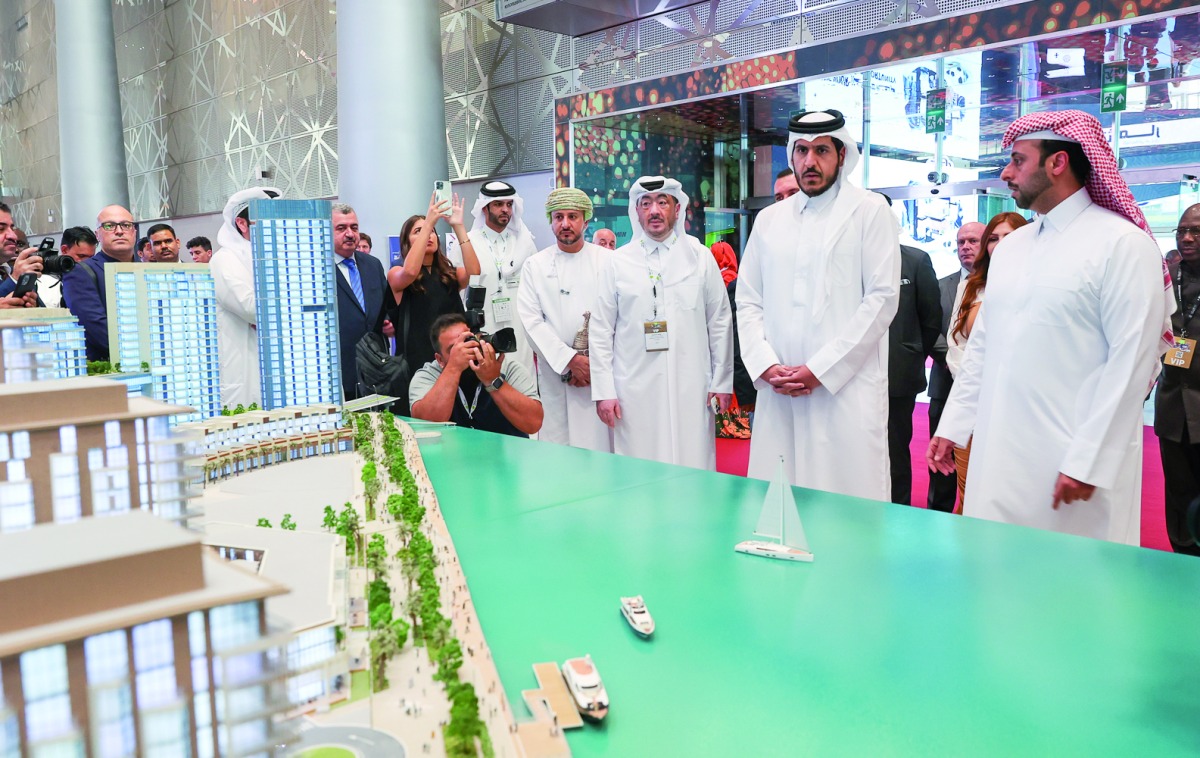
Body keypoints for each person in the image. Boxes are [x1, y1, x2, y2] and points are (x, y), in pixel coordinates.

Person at [928, 110, 1173, 545]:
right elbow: (983, 348)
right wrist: (953, 426)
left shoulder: (1123, 245)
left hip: (1069, 460)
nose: (1006, 172)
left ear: (1057, 163)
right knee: (994, 573)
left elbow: (1131, 363)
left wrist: (1088, 460)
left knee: (1072, 587)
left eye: (1018, 160)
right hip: (998, 450)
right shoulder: (1011, 249)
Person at [737, 110, 899, 498]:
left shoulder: (871, 211)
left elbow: (881, 300)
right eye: (802, 151)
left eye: (822, 150)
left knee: (844, 505)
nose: (810, 161)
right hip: (778, 392)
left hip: (842, 390)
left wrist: (819, 370)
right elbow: (747, 300)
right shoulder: (769, 220)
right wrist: (765, 364)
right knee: (778, 502)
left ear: (842, 155)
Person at [590, 175, 733, 470]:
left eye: (662, 202)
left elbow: (719, 322)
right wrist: (604, 391)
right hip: (634, 389)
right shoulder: (617, 263)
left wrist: (722, 381)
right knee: (638, 468)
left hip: (692, 386)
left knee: (692, 461)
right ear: (637, 211)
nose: (654, 210)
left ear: (676, 209)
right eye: (646, 203)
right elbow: (601, 330)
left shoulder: (700, 257)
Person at [517, 187, 611, 451]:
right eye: (558, 217)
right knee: (558, 449)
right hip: (557, 374)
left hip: (599, 373)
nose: (565, 224)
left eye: (572, 216)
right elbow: (531, 321)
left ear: (586, 220)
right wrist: (570, 361)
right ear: (551, 221)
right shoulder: (535, 265)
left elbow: (621, 318)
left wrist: (592, 364)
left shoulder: (609, 261)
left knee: (602, 450)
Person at [945, 212, 1028, 509]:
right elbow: (956, 344)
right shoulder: (970, 286)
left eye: (1010, 236)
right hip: (971, 406)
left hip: (1016, 410)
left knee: (1005, 497)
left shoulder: (1037, 286)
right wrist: (973, 386)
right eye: (994, 238)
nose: (1001, 244)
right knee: (968, 493)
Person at [387, 192, 480, 374]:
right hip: (417, 360)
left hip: (455, 354)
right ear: (406, 241)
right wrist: (429, 221)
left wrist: (458, 226)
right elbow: (410, 272)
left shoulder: (448, 274)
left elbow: (474, 272)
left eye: (431, 232)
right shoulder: (396, 273)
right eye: (418, 231)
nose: (428, 235)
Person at [926, 221, 983, 512]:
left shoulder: (1002, 284)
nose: (966, 247)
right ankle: (937, 518)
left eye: (973, 241)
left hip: (986, 392)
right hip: (945, 385)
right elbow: (930, 328)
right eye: (961, 242)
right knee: (940, 462)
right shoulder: (942, 286)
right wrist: (953, 360)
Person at [409, 314, 542, 437]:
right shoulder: (427, 375)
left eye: (468, 341)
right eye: (455, 349)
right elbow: (425, 426)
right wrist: (454, 368)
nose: (465, 350)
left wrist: (493, 380)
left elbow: (533, 423)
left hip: (506, 456)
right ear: (440, 359)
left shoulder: (508, 368)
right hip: (451, 458)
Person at [885, 222, 942, 505]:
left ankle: (897, 512)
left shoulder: (915, 260)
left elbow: (931, 318)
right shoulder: (849, 261)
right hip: (853, 375)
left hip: (898, 374)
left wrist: (912, 353)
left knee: (895, 449)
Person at [1155, 204, 1200, 556]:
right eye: (1182, 230)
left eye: (1196, 231)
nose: (1186, 238)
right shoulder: (1165, 275)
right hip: (1172, 405)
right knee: (1178, 490)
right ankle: (1182, 559)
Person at [211, 186, 280, 409]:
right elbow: (252, 308)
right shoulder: (226, 260)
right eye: (264, 218)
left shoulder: (275, 256)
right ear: (241, 224)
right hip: (244, 365)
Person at [464, 181, 538, 383]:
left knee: (523, 385)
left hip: (520, 328)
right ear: (485, 207)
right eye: (498, 204)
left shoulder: (525, 243)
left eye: (509, 204)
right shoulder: (468, 242)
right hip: (484, 327)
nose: (505, 209)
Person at [62, 205, 139, 360]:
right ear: (97, 234)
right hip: (109, 366)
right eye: (109, 226)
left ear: (134, 232)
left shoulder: (148, 270)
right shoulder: (81, 272)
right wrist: (143, 350)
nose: (119, 231)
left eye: (126, 225)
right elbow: (96, 328)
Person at [332, 203, 389, 402]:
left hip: (377, 371)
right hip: (340, 373)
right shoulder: (317, 269)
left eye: (354, 228)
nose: (350, 234)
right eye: (341, 228)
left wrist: (388, 321)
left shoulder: (372, 265)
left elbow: (385, 305)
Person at [0, 203, 39, 309]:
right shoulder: (17, 274)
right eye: (1, 229)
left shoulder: (15, 271)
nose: (13, 236)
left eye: (11, 228)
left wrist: (32, 307)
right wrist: (14, 279)